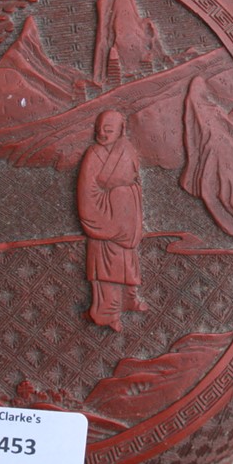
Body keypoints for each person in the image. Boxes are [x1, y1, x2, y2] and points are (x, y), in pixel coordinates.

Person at [77, 110, 146, 331]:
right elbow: (87, 190)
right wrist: (114, 197)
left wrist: (125, 195)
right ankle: (108, 313)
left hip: (124, 218)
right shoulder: (93, 154)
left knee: (128, 259)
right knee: (106, 267)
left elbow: (134, 179)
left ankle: (129, 298)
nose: (102, 133)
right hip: (102, 214)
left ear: (120, 130)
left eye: (108, 130)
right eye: (99, 129)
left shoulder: (127, 149)